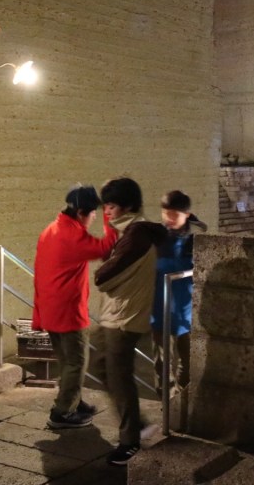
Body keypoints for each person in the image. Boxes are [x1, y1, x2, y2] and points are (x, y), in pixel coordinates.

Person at [93, 177, 167, 467]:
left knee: (119, 376)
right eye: (105, 206)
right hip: (116, 313)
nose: (107, 212)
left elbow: (103, 277)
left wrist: (103, 272)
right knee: (101, 364)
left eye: (111, 206)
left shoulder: (136, 235)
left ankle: (130, 441)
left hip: (125, 317)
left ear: (128, 206)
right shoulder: (131, 232)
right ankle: (138, 426)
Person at [33, 185, 117, 429]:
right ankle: (62, 413)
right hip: (68, 312)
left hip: (50, 309)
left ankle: (74, 401)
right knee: (77, 362)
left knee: (66, 360)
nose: (94, 217)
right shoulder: (74, 236)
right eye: (93, 213)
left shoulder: (50, 230)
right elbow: (107, 247)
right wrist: (109, 217)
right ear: (81, 213)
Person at [151, 190, 207, 395]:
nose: (169, 218)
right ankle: (168, 403)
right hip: (159, 311)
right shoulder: (156, 237)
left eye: (174, 214)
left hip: (186, 312)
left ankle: (182, 400)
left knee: (189, 363)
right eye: (166, 213)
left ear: (187, 214)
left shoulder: (196, 239)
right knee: (162, 367)